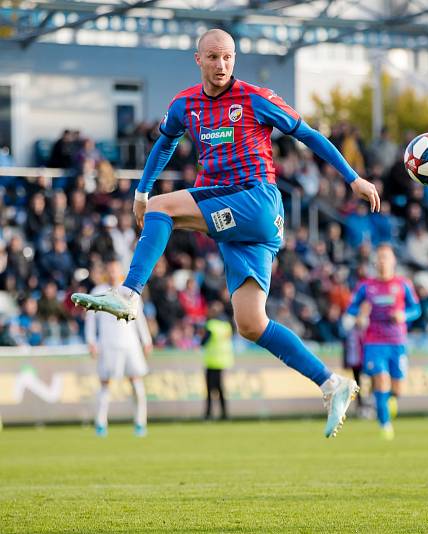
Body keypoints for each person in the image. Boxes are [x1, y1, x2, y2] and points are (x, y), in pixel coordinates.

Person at [71, 29, 380, 439]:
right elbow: (164, 143)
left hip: (255, 200)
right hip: (232, 215)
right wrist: (142, 188)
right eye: (213, 57)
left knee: (163, 209)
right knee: (251, 323)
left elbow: (308, 135)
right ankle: (331, 383)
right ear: (197, 59)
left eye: (228, 58)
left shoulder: (255, 98)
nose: (221, 65)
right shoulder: (185, 104)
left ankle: (128, 294)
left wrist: (352, 178)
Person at [344, 244, 420, 440]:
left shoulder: (403, 284)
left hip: (397, 341)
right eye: (380, 257)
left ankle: (389, 402)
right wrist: (359, 316)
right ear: (375, 262)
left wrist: (404, 315)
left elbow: (416, 310)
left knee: (397, 388)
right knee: (381, 379)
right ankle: (385, 425)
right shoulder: (366, 286)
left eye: (386, 257)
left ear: (393, 261)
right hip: (374, 341)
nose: (383, 261)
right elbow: (351, 309)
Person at [84, 260, 152, 437]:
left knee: (136, 382)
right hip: (108, 344)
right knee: (105, 383)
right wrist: (91, 341)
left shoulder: (131, 290)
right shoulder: (98, 292)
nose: (113, 273)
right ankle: (100, 424)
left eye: (116, 270)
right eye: (110, 270)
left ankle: (140, 423)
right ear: (106, 272)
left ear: (121, 271)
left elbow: (140, 318)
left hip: (130, 344)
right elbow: (91, 320)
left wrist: (146, 340)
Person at [201, 301, 234, 420]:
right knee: (221, 390)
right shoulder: (227, 325)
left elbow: (203, 342)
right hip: (224, 361)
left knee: (210, 390)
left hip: (212, 362)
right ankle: (225, 414)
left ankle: (208, 414)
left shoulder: (210, 325)